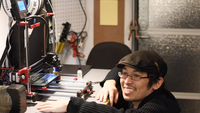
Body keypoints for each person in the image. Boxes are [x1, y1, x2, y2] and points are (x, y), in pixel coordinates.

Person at [37, 50, 181, 113]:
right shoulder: (141, 94)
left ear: (157, 82)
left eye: (135, 76)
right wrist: (109, 82)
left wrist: (73, 105)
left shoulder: (160, 106)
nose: (126, 81)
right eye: (125, 74)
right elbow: (115, 70)